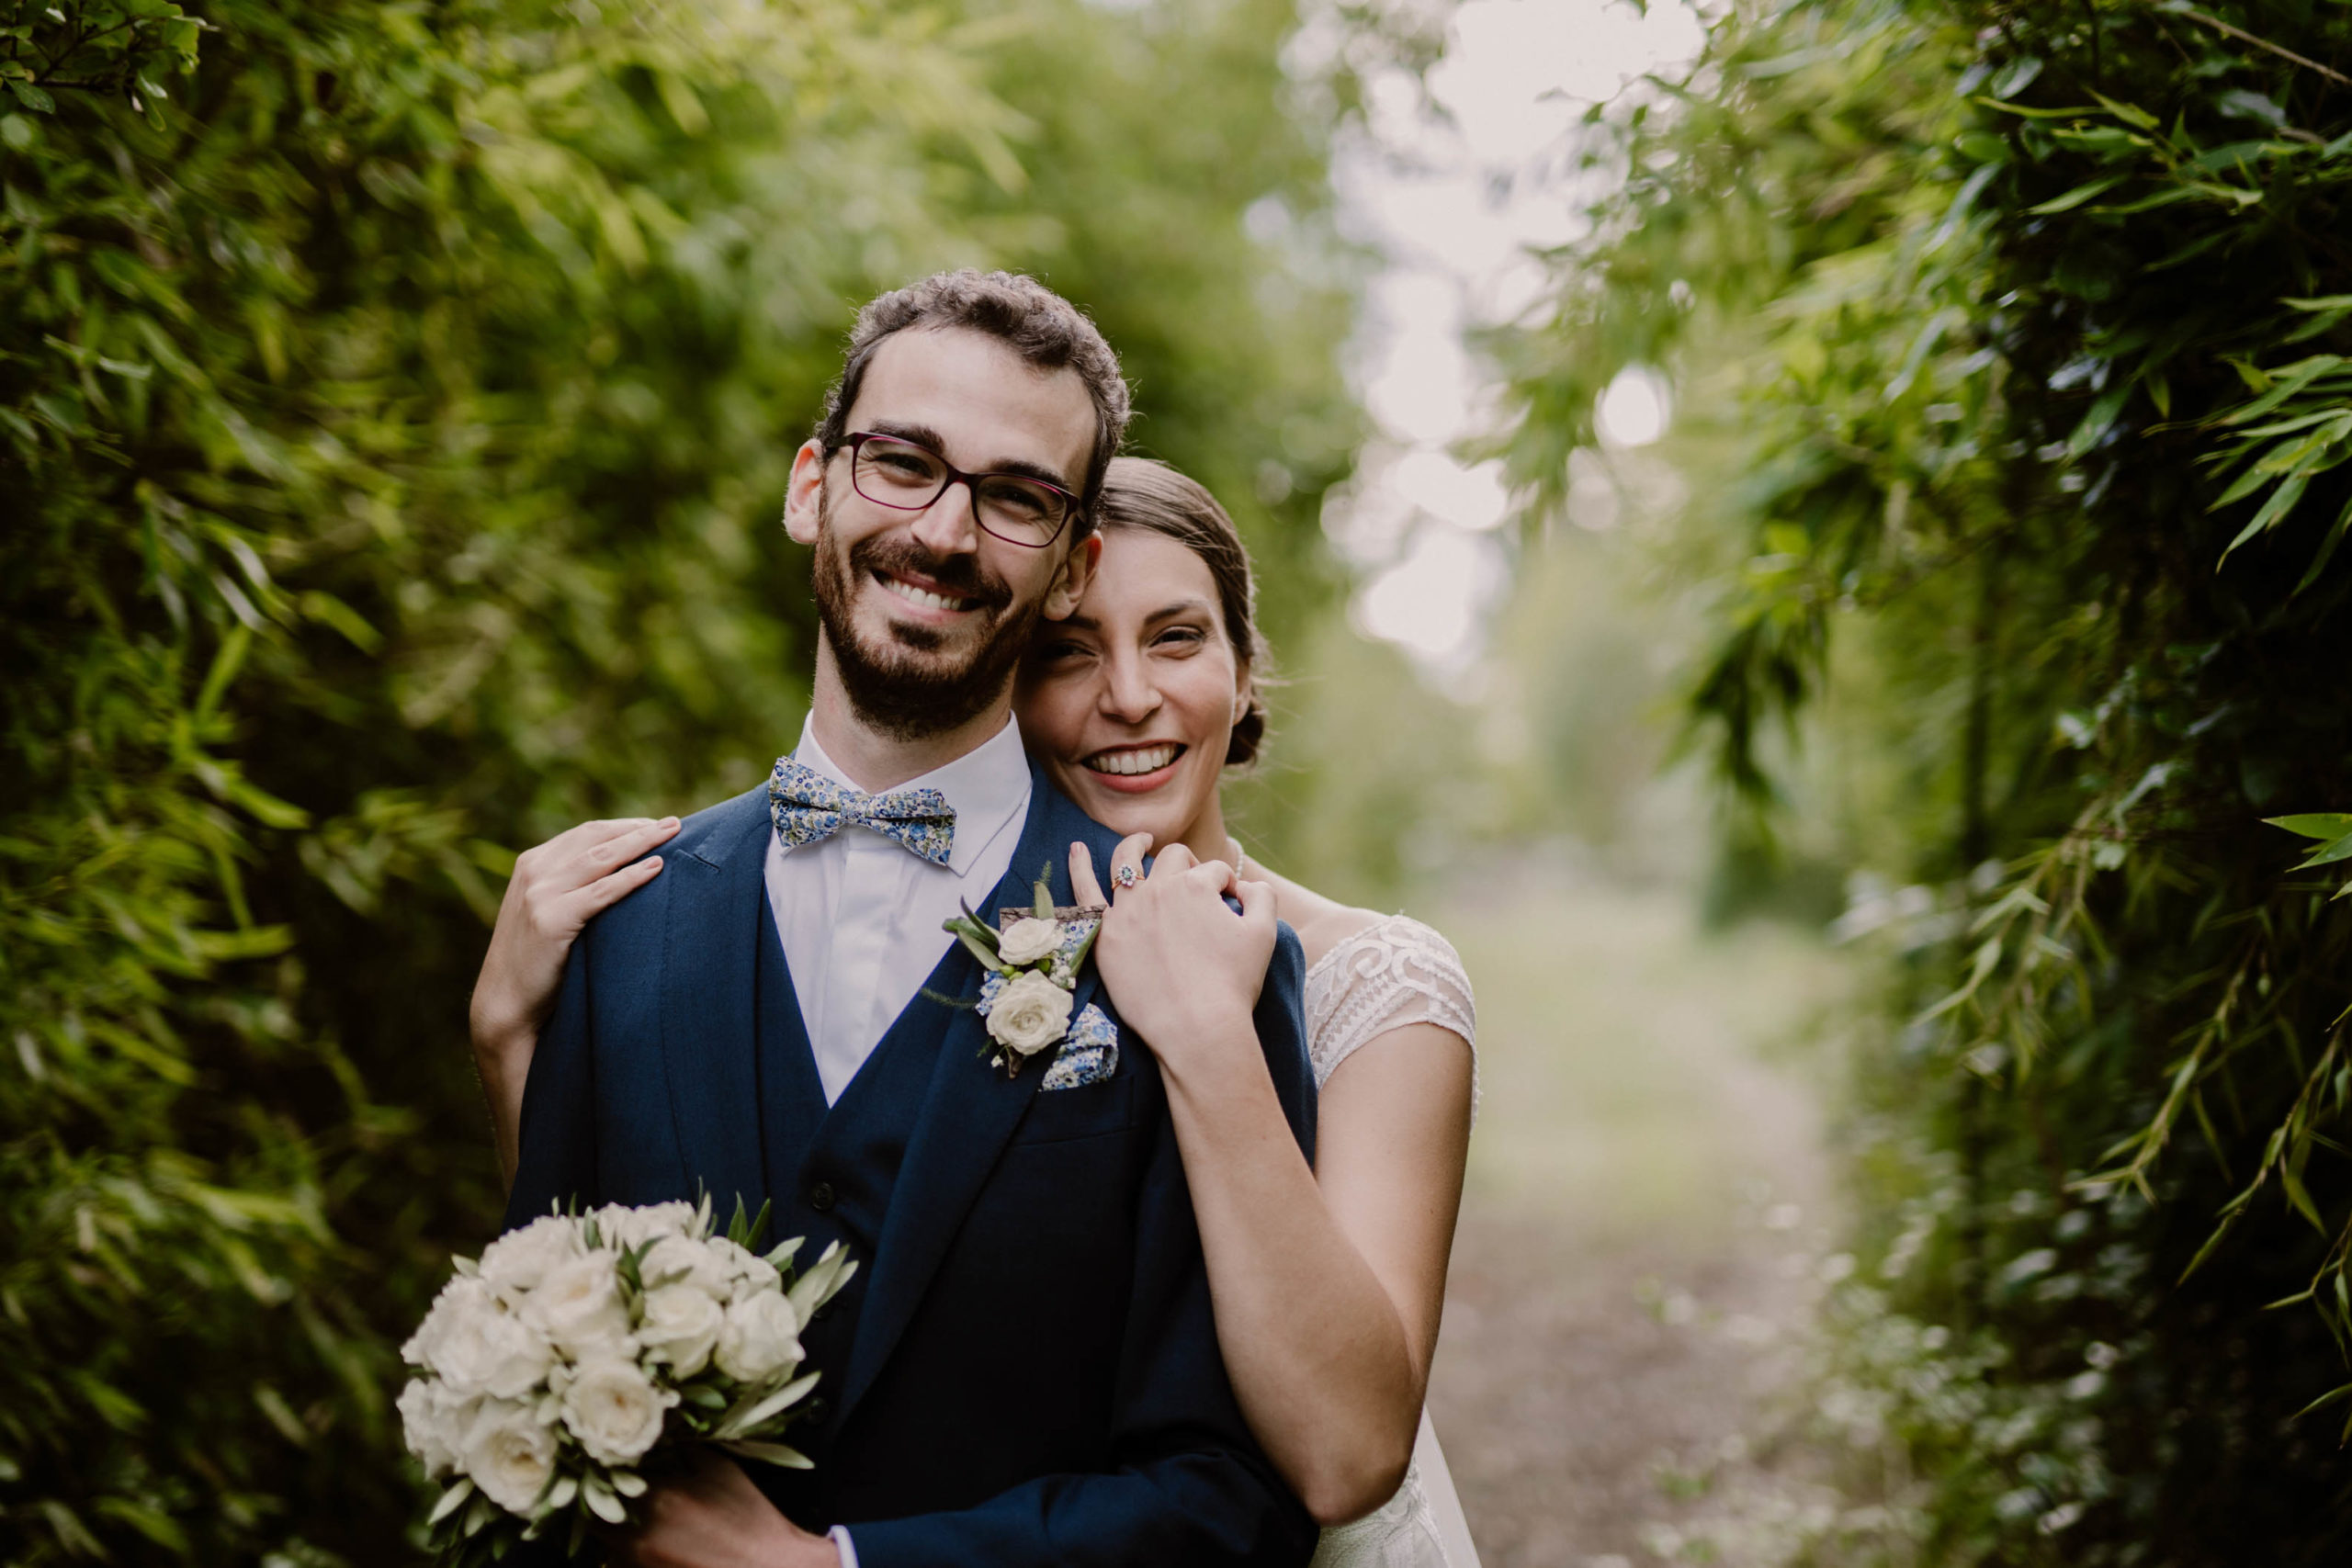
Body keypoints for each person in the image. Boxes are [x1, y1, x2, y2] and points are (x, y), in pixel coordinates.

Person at [477, 456, 1482, 1566]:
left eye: (1178, 638)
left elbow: (1343, 1455)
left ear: (1245, 674)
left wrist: (1202, 1031)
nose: (1131, 697)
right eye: (1068, 652)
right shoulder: (899, 922)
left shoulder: (1373, 980)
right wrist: (511, 1040)